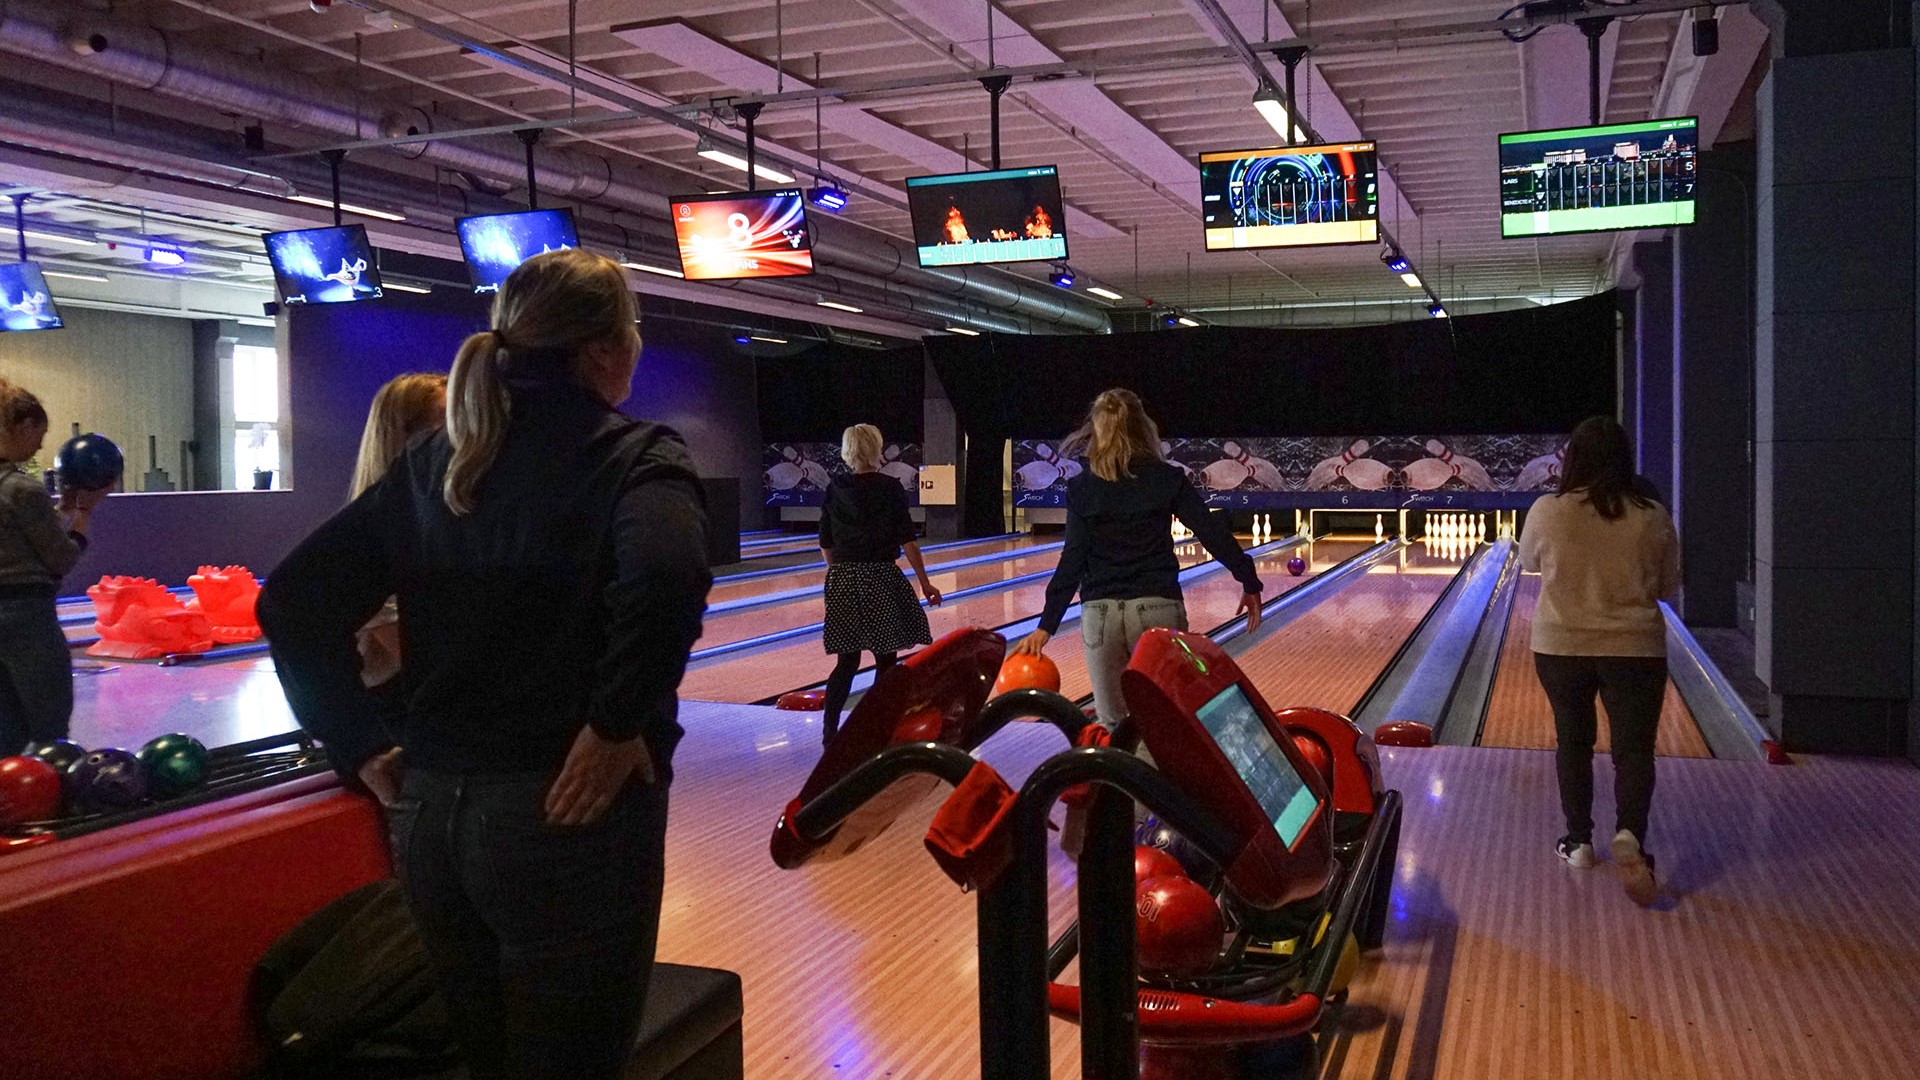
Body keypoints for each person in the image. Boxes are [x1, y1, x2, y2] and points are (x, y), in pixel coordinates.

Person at [257, 249, 711, 1079]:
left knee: (488, 1058)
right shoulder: (633, 455)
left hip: (432, 822)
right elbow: (671, 576)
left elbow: (291, 603)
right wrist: (614, 726)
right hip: (565, 817)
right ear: (606, 351)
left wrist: (359, 745)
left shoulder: (438, 464)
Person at [1015, 389, 1264, 729]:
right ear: (1143, 427)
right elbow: (1212, 533)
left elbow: (1072, 559)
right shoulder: (1167, 478)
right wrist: (1249, 580)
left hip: (1100, 615)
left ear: (1096, 430)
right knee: (1166, 723)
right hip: (1156, 608)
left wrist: (1047, 626)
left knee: (1113, 725)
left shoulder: (1082, 487)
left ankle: (1122, 782)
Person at [1519, 415, 1680, 907]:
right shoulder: (1651, 514)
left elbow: (1528, 562)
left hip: (1561, 645)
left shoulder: (1547, 510)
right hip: (1635, 648)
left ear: (1572, 461)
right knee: (1634, 750)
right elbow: (1669, 585)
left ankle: (1580, 842)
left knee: (1574, 742)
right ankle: (1630, 834)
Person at [0, 383, 106, 756]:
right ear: (24, 426)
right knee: (49, 725)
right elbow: (61, 558)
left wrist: (62, 510)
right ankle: (54, 805)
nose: (40, 448)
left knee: (6, 728)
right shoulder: (21, 489)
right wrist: (85, 512)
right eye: (39, 436)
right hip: (26, 618)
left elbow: (18, 536)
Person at [817, 423, 941, 743]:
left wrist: (839, 573)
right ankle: (877, 728)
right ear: (877, 448)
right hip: (880, 576)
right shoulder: (890, 487)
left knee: (847, 660)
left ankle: (830, 732)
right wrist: (925, 583)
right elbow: (908, 540)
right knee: (886, 660)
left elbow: (825, 542)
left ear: (847, 451)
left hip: (843, 578)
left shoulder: (834, 488)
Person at [348, 372, 448, 689]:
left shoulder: (438, 528)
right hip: (393, 723)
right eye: (446, 426)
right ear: (406, 441)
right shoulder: (374, 545)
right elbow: (430, 665)